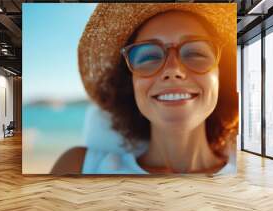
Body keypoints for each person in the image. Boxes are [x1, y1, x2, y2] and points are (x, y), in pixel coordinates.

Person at [51, 3, 238, 175]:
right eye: (149, 57)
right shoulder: (78, 166)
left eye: (195, 53)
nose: (173, 70)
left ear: (222, 75)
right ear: (130, 83)